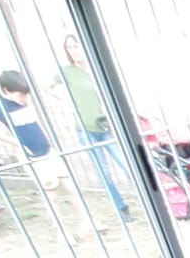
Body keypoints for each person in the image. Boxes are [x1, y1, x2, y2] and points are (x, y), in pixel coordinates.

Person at [48, 34, 130, 221]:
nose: (74, 50)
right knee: (104, 171)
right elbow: (47, 87)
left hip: (106, 126)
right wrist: (65, 101)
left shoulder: (96, 68)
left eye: (76, 45)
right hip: (85, 129)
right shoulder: (67, 72)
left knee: (126, 163)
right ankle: (121, 208)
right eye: (69, 47)